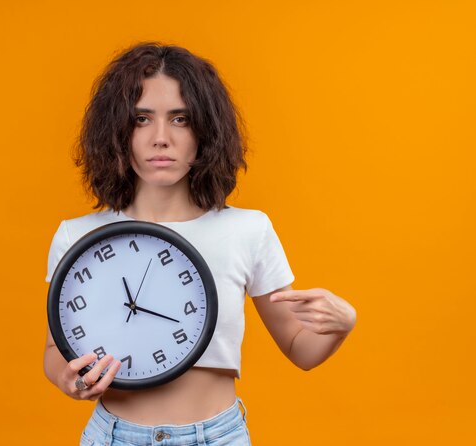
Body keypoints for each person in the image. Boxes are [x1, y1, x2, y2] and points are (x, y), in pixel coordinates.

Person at [43, 42, 357, 445]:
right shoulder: (77, 236)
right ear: (117, 131)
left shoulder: (247, 230)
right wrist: (67, 380)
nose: (161, 138)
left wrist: (341, 325)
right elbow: (56, 348)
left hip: (217, 436)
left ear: (205, 130)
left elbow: (300, 348)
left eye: (180, 119)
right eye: (141, 119)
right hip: (114, 435)